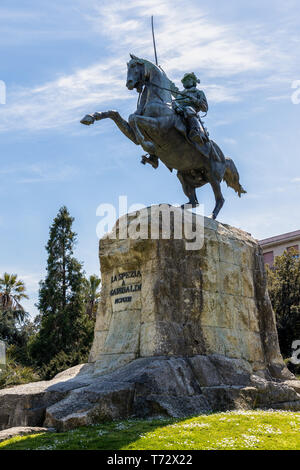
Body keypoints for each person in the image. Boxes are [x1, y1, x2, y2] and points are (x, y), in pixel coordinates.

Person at [171, 72, 208, 145]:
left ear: (193, 81)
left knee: (188, 109)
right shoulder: (180, 94)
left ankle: (194, 131)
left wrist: (195, 100)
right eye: (185, 80)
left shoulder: (198, 92)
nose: (186, 81)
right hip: (178, 109)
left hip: (190, 112)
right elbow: (171, 87)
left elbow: (205, 108)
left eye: (189, 79)